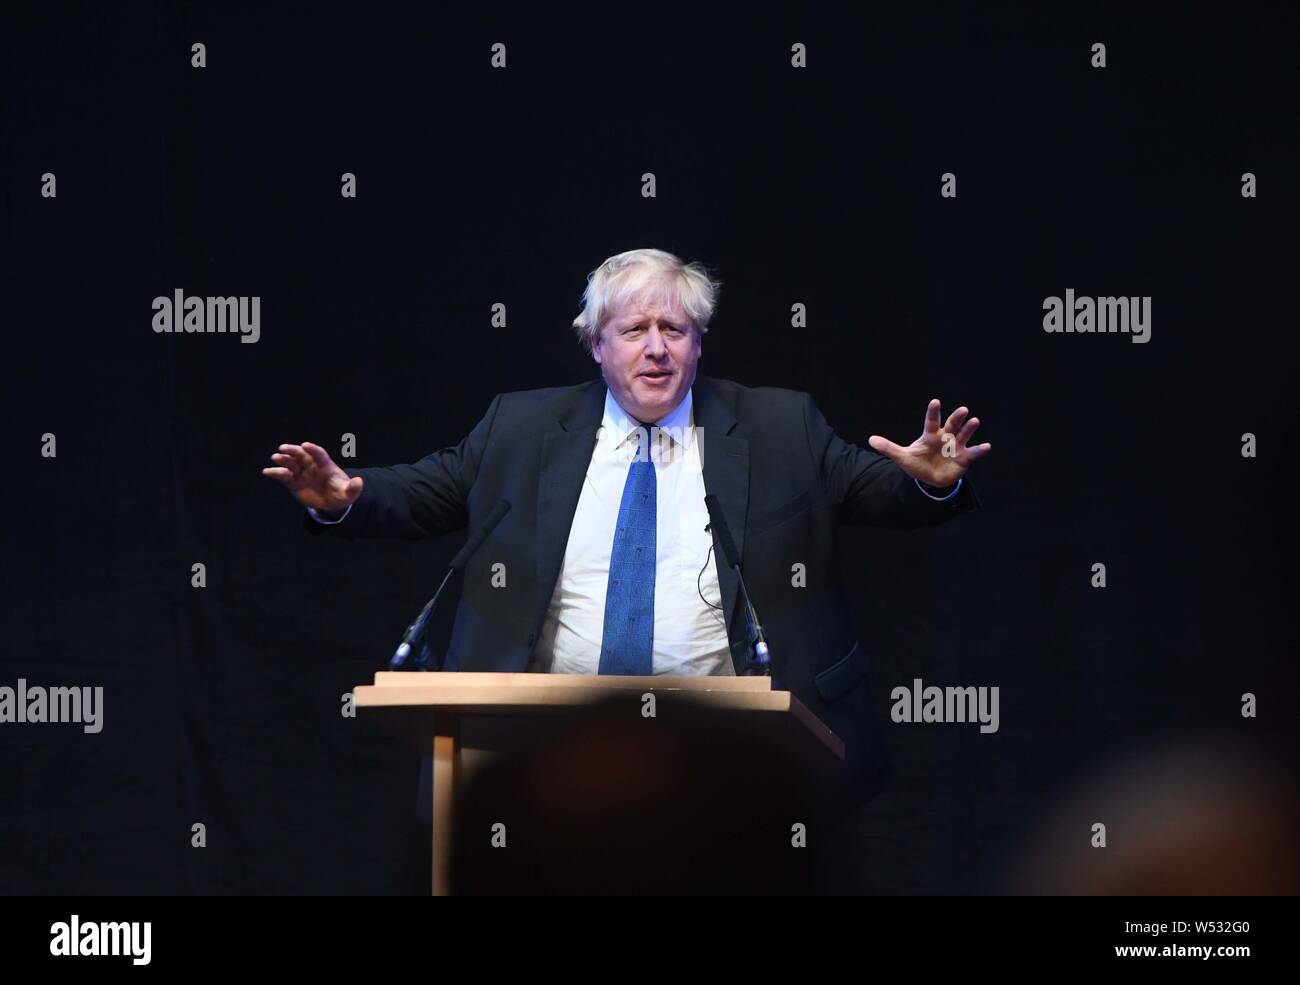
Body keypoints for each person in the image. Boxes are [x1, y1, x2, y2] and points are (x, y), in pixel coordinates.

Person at [262, 248, 990, 805]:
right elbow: (426, 491)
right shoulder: (520, 427)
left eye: (674, 328)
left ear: (699, 344)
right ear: (596, 343)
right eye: (634, 328)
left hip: (733, 752)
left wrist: (922, 483)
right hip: (545, 749)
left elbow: (871, 491)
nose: (656, 347)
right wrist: (344, 494)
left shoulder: (777, 427)